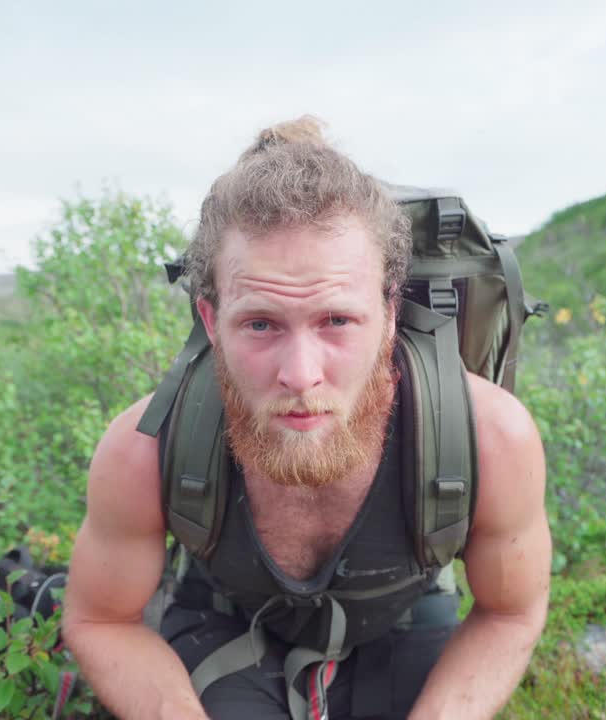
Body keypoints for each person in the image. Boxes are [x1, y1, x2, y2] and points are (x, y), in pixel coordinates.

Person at [61, 117, 551, 719]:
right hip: (227, 614)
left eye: (337, 321)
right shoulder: (145, 449)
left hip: (400, 615)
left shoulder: (490, 437)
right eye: (261, 323)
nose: (300, 374)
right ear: (213, 323)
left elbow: (510, 611)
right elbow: (102, 617)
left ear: (390, 313)